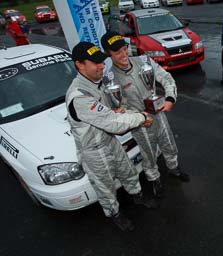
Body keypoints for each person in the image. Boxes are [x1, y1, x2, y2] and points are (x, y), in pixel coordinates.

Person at [66, 41, 158, 232]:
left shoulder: (96, 84)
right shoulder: (79, 95)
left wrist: (116, 109)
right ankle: (114, 214)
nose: (101, 66)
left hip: (109, 141)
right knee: (105, 187)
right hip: (94, 152)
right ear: (79, 64)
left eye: (101, 61)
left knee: (128, 171)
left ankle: (138, 197)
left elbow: (109, 113)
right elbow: (113, 122)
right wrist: (140, 117)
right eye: (95, 63)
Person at [101, 32, 189, 199]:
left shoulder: (143, 61)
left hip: (158, 114)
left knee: (168, 143)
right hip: (138, 123)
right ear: (108, 54)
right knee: (148, 153)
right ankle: (154, 180)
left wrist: (170, 98)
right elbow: (115, 109)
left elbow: (166, 78)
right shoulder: (109, 80)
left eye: (124, 48)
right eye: (117, 52)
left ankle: (173, 168)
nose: (123, 54)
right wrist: (136, 116)